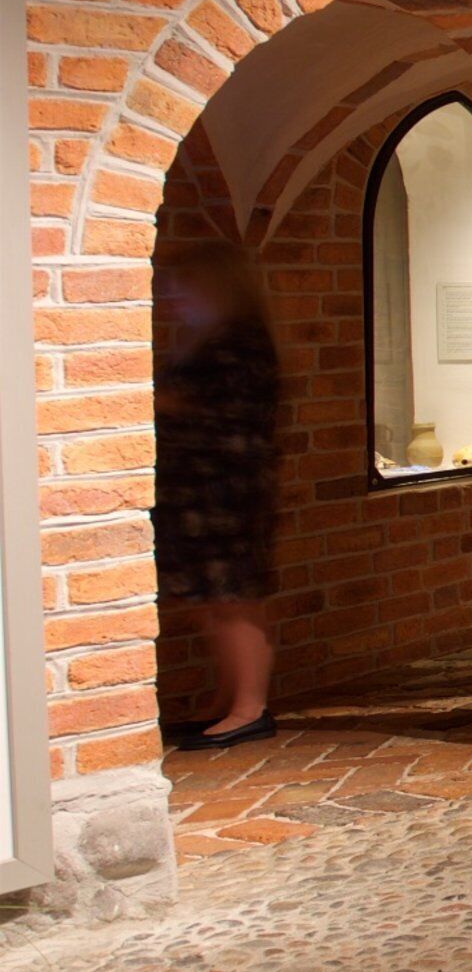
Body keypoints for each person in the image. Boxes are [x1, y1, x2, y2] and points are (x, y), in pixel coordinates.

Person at [153, 242, 284, 749]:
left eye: (184, 287)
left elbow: (224, 410)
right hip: (202, 489)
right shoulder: (209, 337)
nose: (174, 298)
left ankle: (249, 708)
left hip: (226, 490)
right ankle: (227, 702)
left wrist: (164, 400)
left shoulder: (239, 342)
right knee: (211, 600)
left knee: (232, 598)